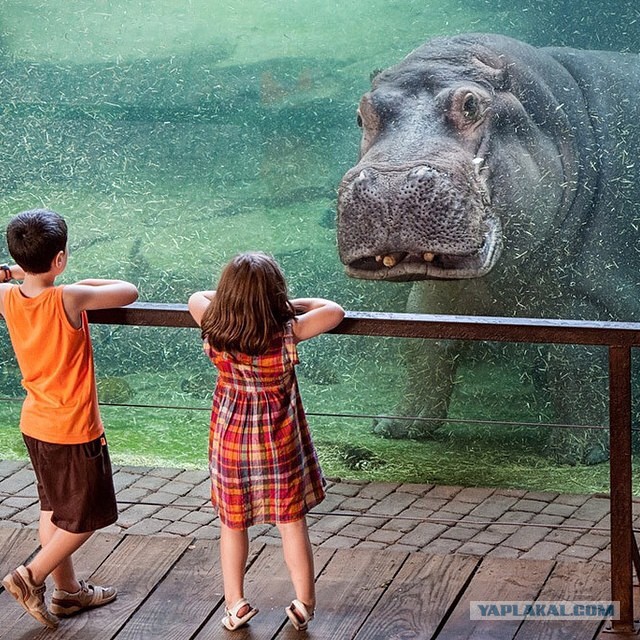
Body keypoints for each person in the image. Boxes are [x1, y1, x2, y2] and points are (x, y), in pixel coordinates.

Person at [188, 252, 344, 632]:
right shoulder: (286, 332)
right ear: (275, 295)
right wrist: (288, 307)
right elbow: (334, 310)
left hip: (229, 443)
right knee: (291, 524)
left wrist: (232, 299)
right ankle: (304, 603)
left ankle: (235, 604)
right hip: (278, 443)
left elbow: (197, 295)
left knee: (232, 525)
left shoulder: (213, 322)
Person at [0, 208, 139, 628]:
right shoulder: (69, 298)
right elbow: (128, 291)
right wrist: (79, 282)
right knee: (90, 516)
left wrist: (9, 273)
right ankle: (32, 576)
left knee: (55, 510)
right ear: (60, 260)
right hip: (74, 428)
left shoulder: (6, 297)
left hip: (35, 424)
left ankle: (69, 593)